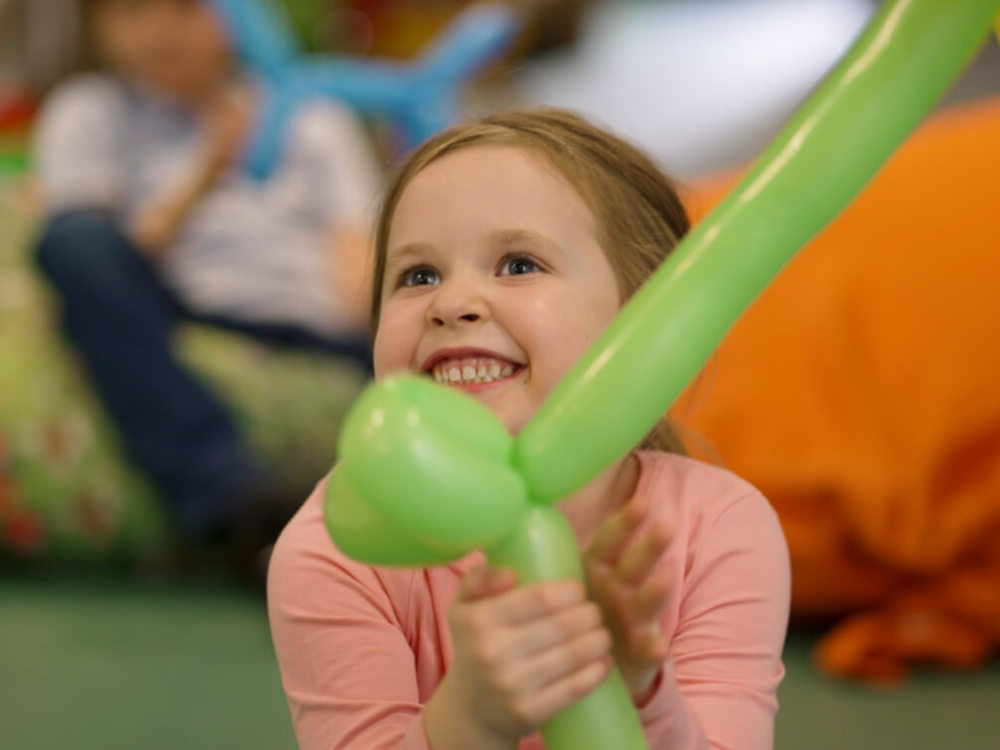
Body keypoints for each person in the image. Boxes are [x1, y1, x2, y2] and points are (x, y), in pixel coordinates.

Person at [267, 109, 790, 748]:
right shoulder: (338, 547)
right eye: (417, 275)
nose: (451, 303)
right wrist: (472, 717)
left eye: (518, 264)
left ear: (647, 321)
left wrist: (638, 694)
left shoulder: (720, 528)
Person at [30, 0, 382, 562]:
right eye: (133, 12)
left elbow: (356, 256)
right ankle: (233, 501)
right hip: (177, 307)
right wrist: (206, 175)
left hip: (308, 319)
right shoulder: (89, 110)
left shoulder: (310, 114)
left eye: (187, 9)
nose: (161, 32)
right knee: (72, 241)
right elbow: (105, 268)